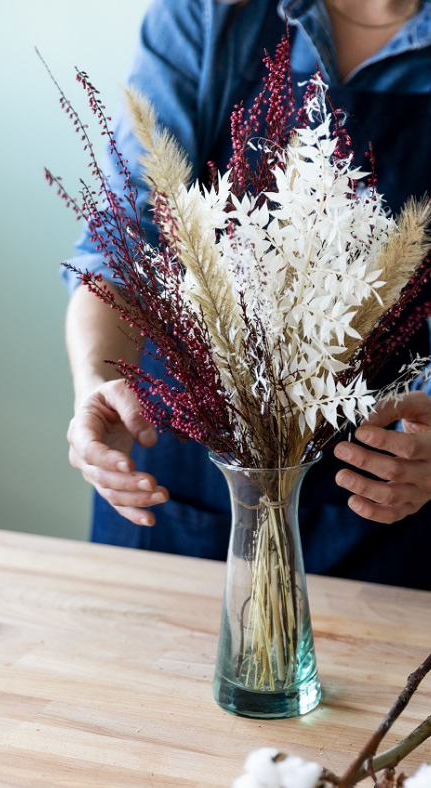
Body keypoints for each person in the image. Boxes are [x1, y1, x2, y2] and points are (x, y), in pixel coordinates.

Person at [65, 0, 431, 589]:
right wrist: (95, 383)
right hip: (187, 481)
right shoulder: (210, 18)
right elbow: (124, 245)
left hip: (386, 500)